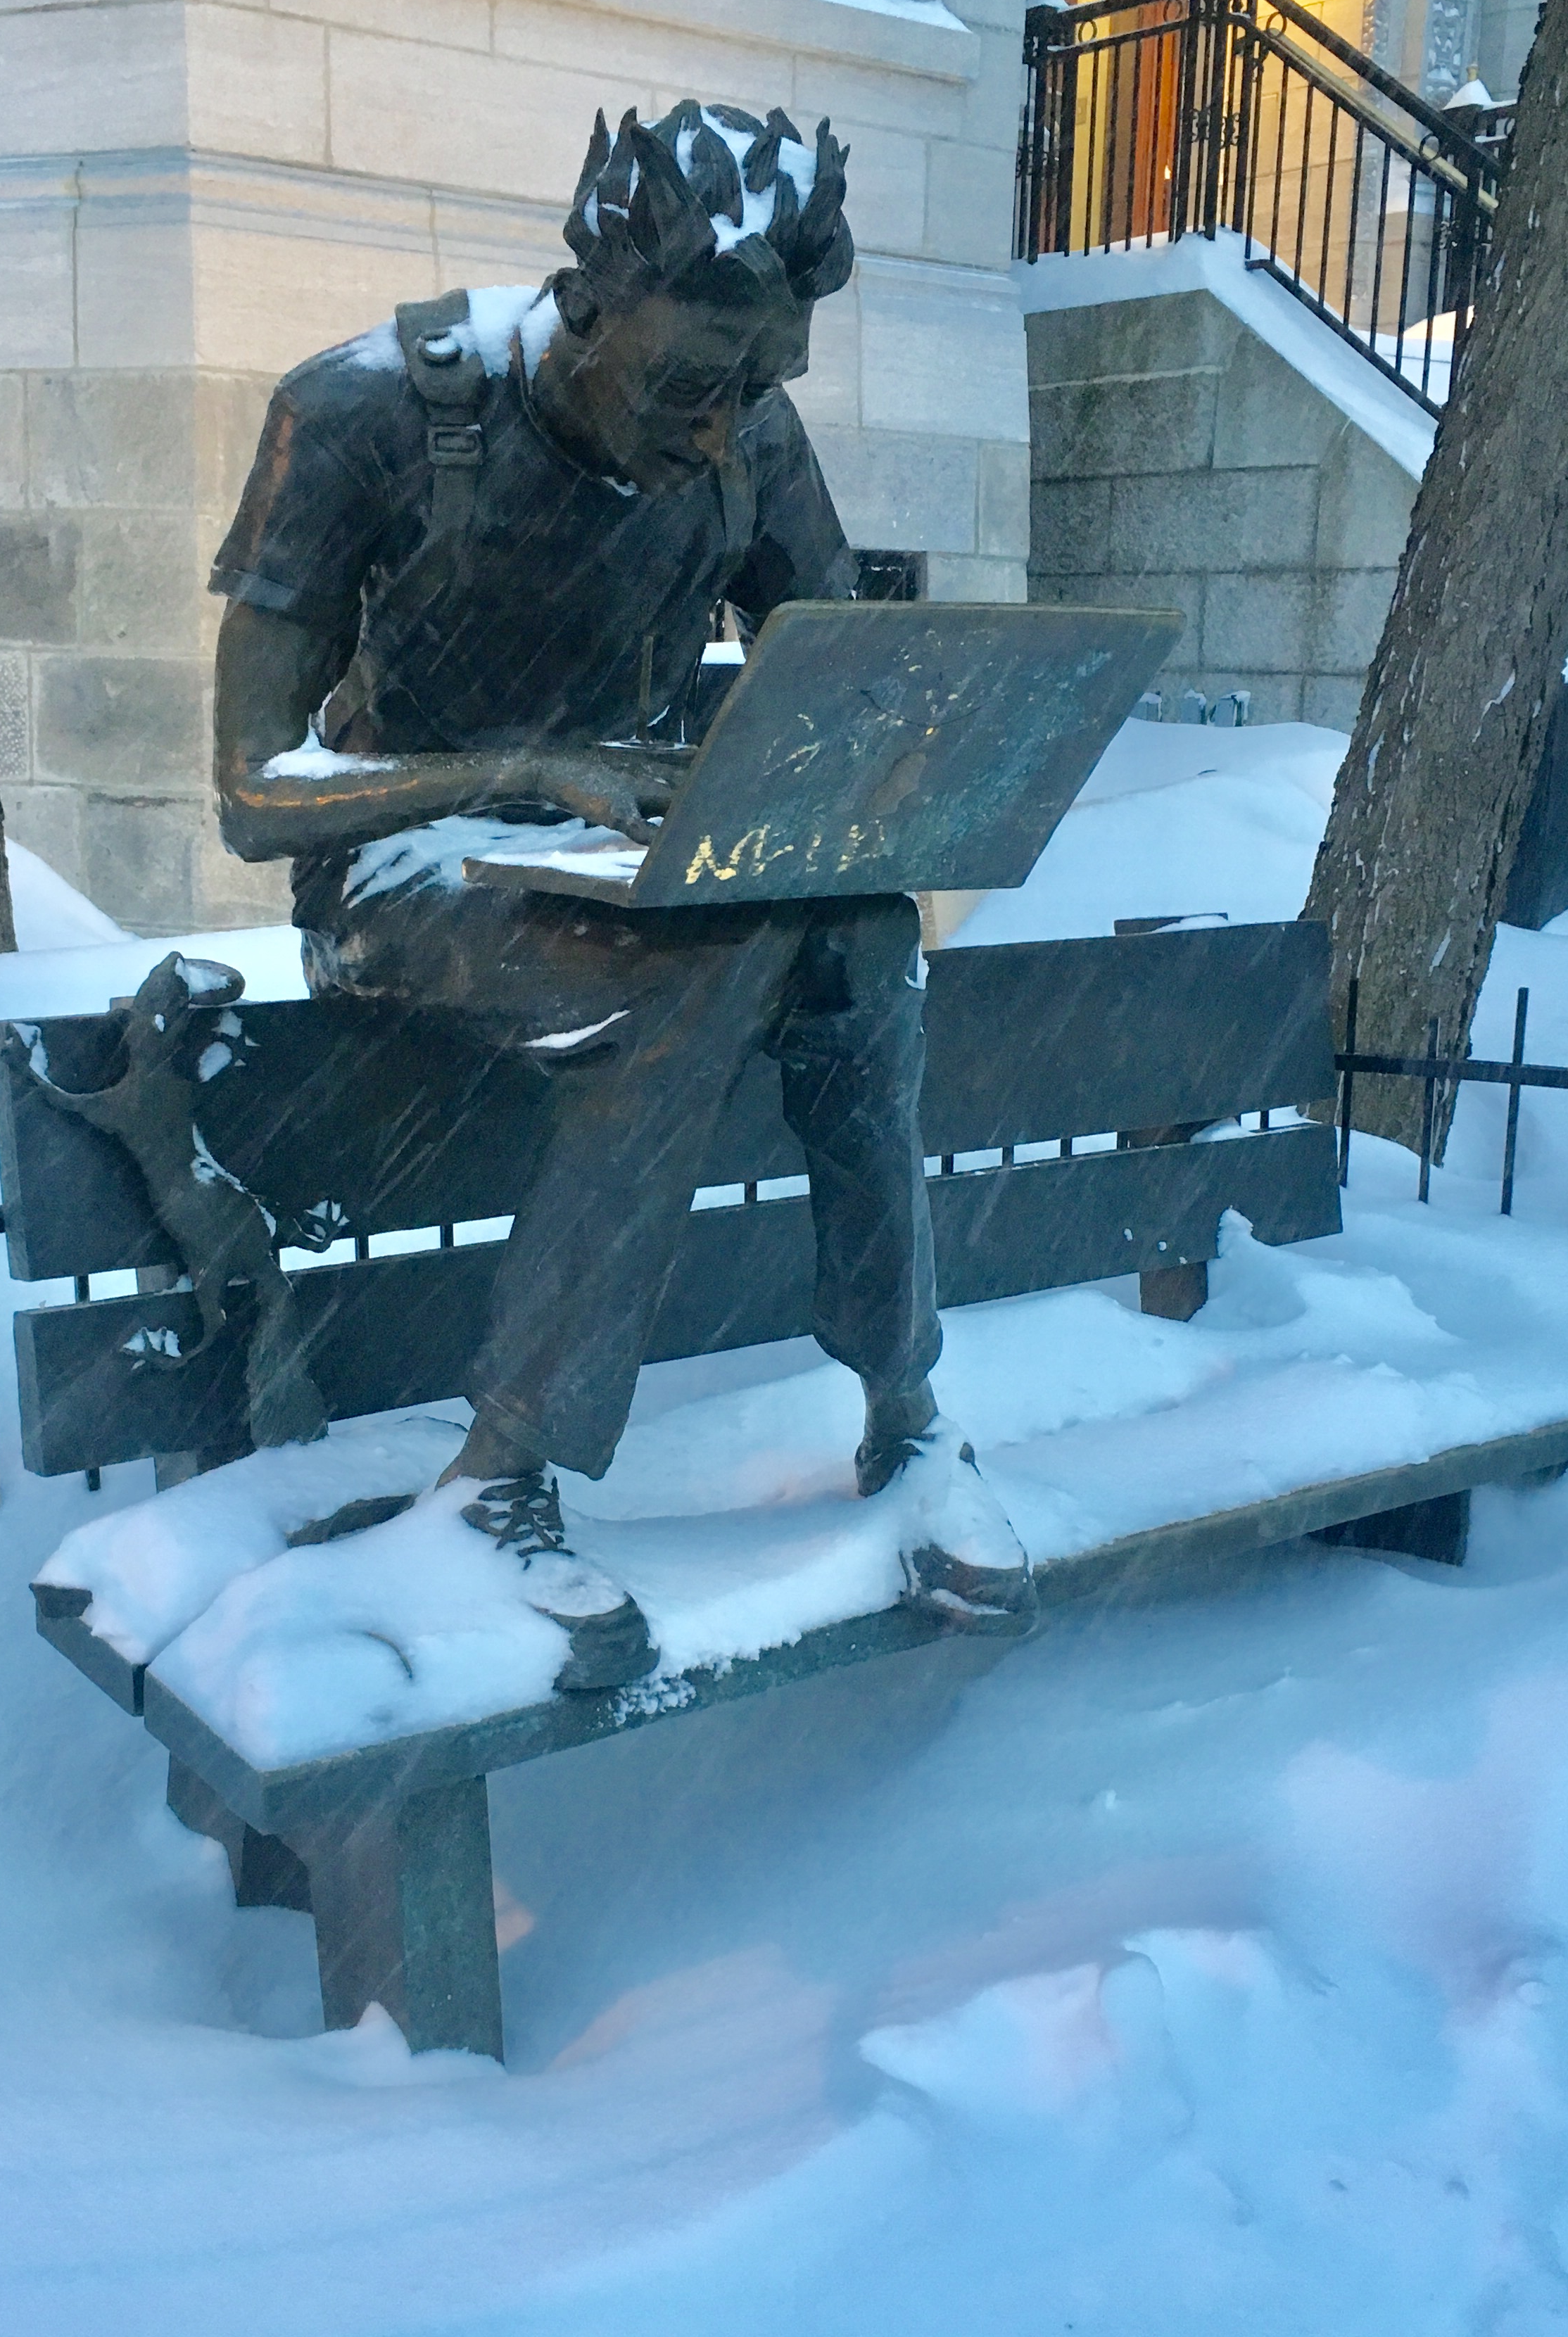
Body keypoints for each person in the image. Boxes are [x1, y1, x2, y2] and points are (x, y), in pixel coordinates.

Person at [211, 99, 1032, 1688]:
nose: (723, 433)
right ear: (586, 304)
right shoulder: (363, 414)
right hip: (397, 881)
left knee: (860, 939)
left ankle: (908, 1418)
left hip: (636, 877)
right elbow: (255, 793)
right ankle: (496, 1479)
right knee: (679, 972)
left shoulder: (751, 443)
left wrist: (903, 768)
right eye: (687, 386)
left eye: (760, 386)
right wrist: (529, 767)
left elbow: (840, 685)